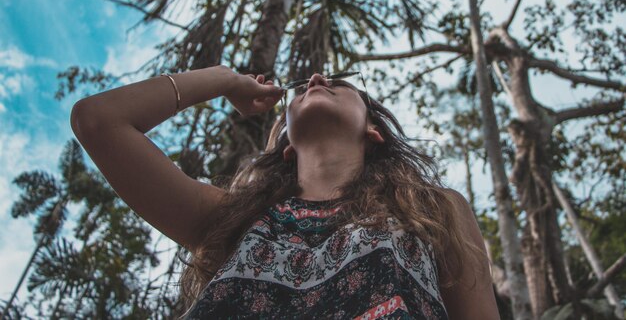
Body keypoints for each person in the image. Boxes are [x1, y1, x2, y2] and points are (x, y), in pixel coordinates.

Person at [70, 65, 500, 319]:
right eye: (307, 84)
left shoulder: (433, 208)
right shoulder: (233, 218)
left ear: (374, 130)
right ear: (287, 144)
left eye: (340, 83)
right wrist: (223, 80)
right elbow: (98, 121)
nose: (315, 78)